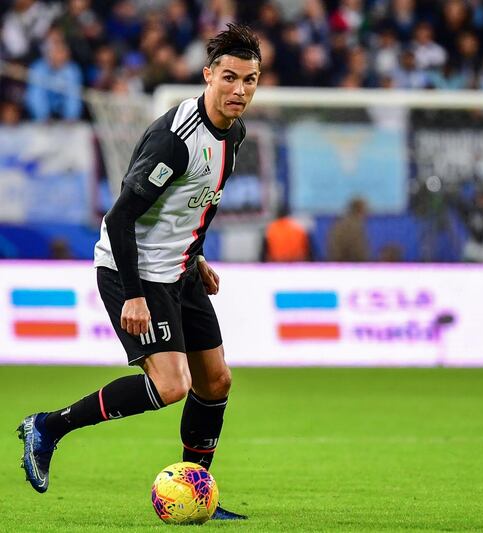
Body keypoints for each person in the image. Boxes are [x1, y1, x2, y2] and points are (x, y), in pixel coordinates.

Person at [17, 23, 262, 521]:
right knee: (172, 386)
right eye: (230, 78)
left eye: (250, 80)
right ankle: (47, 426)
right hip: (133, 269)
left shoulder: (234, 133)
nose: (240, 90)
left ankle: (197, 493)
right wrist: (134, 296)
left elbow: (195, 206)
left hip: (178, 268)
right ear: (208, 75)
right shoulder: (176, 140)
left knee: (215, 381)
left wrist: (196, 257)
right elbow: (121, 216)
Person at [327, 197, 370, 261]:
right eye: (366, 210)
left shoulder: (338, 223)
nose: (368, 213)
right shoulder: (355, 226)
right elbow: (359, 252)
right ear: (360, 210)